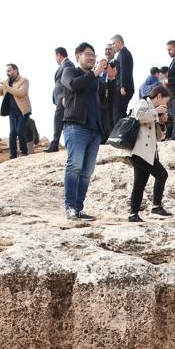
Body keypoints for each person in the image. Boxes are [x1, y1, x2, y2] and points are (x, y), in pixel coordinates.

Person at [61, 41, 108, 220]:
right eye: (88, 54)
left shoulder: (95, 79)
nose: (92, 57)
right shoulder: (69, 71)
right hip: (76, 126)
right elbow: (73, 85)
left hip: (94, 129)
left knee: (87, 172)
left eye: (93, 55)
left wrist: (110, 79)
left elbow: (105, 101)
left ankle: (79, 208)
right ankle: (70, 207)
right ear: (78, 56)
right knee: (74, 167)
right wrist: (95, 73)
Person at [124, 84, 173, 222]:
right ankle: (156, 206)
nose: (166, 105)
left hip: (147, 152)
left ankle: (133, 214)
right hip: (139, 151)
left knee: (139, 183)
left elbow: (159, 137)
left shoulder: (154, 111)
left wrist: (162, 123)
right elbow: (139, 116)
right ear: (158, 96)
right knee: (162, 174)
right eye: (165, 101)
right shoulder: (143, 102)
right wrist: (156, 112)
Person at [0, 63, 32, 159]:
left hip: (23, 111)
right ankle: (12, 155)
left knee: (19, 131)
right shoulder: (6, 82)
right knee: (12, 132)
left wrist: (8, 87)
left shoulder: (24, 81)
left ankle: (24, 152)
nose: (7, 73)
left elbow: (21, 93)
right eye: (6, 71)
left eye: (9, 71)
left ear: (15, 70)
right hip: (12, 112)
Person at [46, 47, 73, 152]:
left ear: (59, 55)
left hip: (63, 98)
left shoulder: (68, 64)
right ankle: (56, 142)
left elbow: (67, 81)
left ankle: (55, 143)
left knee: (59, 119)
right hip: (60, 98)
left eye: (55, 56)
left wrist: (65, 96)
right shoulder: (63, 65)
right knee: (60, 120)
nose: (55, 59)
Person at [111, 34, 134, 122]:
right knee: (119, 113)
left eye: (113, 44)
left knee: (118, 114)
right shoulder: (122, 53)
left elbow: (124, 70)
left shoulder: (123, 53)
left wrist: (122, 86)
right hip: (122, 87)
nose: (113, 46)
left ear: (119, 42)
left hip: (123, 88)